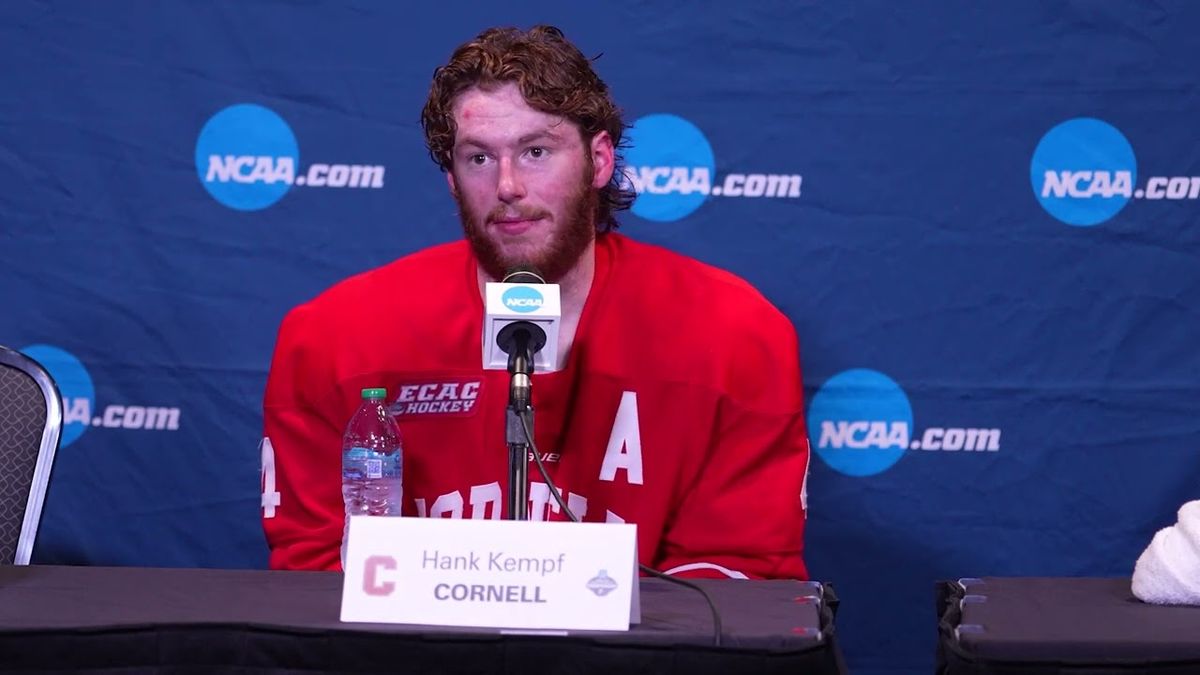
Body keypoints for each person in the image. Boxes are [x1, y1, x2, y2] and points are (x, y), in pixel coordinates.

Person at [262, 25, 810, 579]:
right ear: (452, 179)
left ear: (598, 161)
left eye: (536, 151)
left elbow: (737, 587)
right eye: (478, 159)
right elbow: (315, 577)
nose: (507, 186)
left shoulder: (734, 336)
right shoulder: (334, 339)